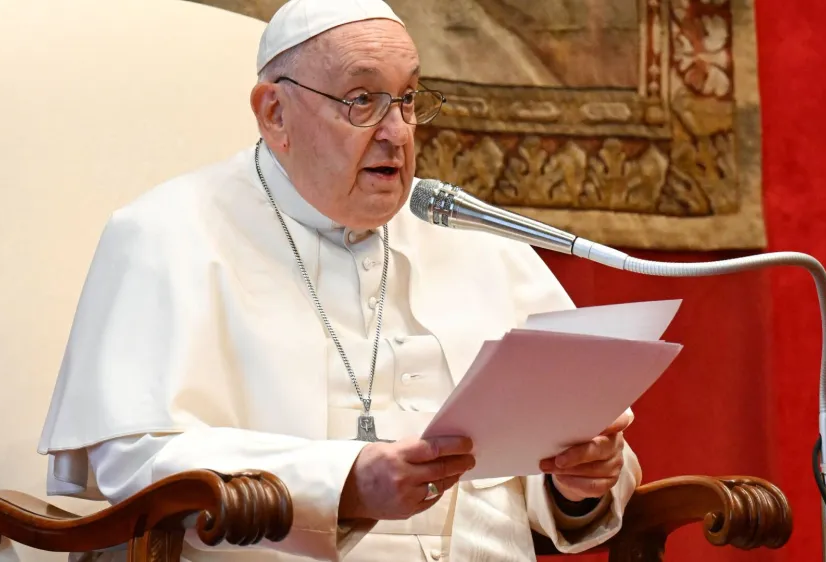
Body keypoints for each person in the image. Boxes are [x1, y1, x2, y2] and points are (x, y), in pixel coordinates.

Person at [37, 0, 641, 560]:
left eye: (407, 99)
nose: (397, 132)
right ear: (275, 113)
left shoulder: (474, 238)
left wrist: (575, 483)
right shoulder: (164, 233)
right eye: (362, 100)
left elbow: (582, 447)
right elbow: (135, 459)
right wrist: (346, 482)